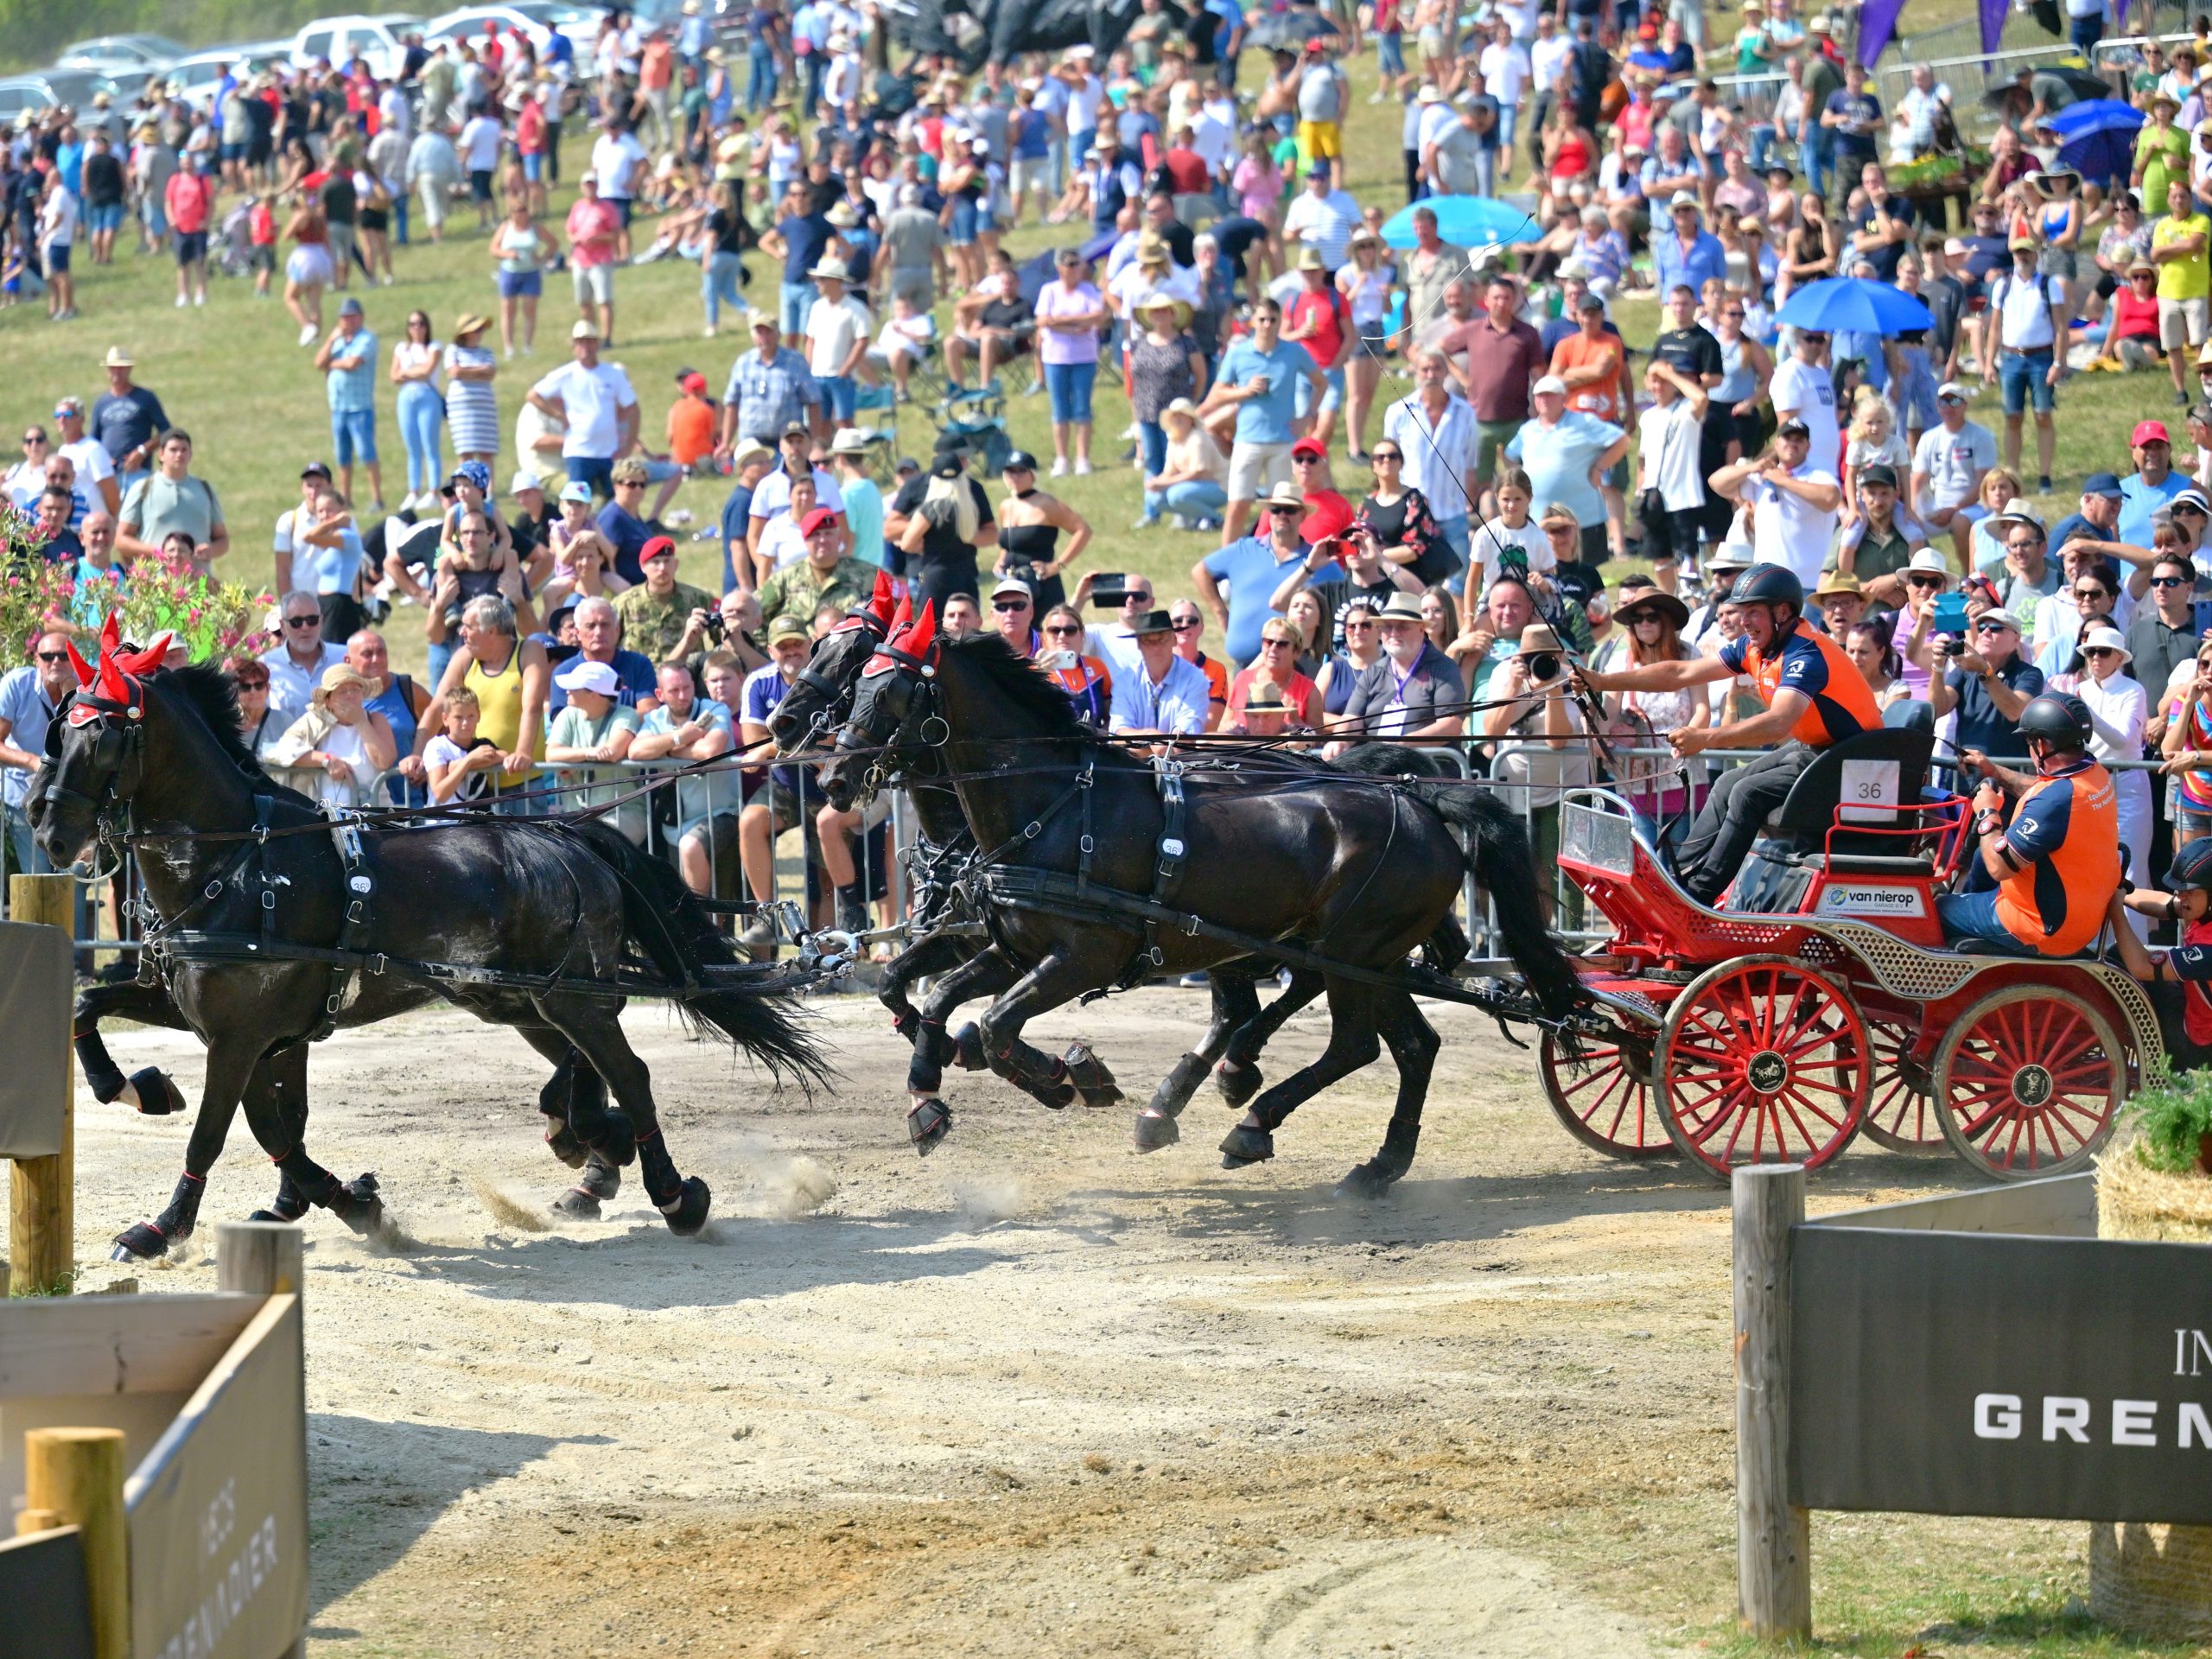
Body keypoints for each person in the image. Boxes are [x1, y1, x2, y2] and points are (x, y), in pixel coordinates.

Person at [1573, 564, 1881, 905]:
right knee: (1725, 785)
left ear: (1782, 612)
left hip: (1854, 761)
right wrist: (1603, 681)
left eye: (1753, 612)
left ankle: (1698, 896)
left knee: (1748, 793)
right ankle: (1675, 882)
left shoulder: (1805, 655)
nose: (1744, 621)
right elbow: (1681, 672)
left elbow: (1777, 722)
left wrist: (1705, 737)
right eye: (1740, 612)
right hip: (1821, 752)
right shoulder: (1754, 646)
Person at [1940, 695, 2123, 957]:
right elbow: (2043, 791)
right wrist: (1993, 771)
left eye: (2028, 741)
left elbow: (1999, 867)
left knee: (1936, 910)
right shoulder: (2093, 775)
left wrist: (1987, 812)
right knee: (1982, 855)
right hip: (2078, 917)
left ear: (2039, 744)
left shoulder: (2058, 800)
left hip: (2040, 925)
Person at [1202, 295, 1319, 549]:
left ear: (1279, 322)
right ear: (1253, 321)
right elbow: (1218, 393)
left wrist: (1307, 417)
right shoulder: (1239, 353)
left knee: (1279, 509)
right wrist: (1246, 391)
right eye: (1262, 319)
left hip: (1283, 440)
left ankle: (1276, 555)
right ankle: (1227, 564)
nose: (1267, 324)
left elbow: (1320, 382)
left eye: (1272, 320)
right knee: (1238, 505)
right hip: (1247, 439)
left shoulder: (1293, 351)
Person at [633, 659, 742, 896]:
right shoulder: (654, 719)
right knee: (683, 891)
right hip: (676, 823)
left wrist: (667, 752)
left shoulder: (713, 710)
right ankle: (698, 929)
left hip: (723, 814)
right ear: (660, 694)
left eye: (687, 687)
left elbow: (709, 751)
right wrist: (680, 738)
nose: (683, 696)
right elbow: (636, 751)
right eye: (674, 690)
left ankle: (701, 926)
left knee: (720, 895)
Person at [1980, 232, 2068, 493]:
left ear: (2035, 255)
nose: (2023, 258)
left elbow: (2061, 326)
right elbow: (1994, 327)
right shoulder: (2003, 285)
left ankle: (2044, 475)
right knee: (2012, 417)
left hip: (2041, 356)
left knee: (2043, 414)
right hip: (2010, 357)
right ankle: (2014, 475)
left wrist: (2059, 362)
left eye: (2027, 253)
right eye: (2018, 254)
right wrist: (1988, 362)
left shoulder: (2048, 284)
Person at [1381, 350, 1480, 576]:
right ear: (1415, 372)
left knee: (1458, 584)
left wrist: (1469, 502)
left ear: (1446, 372)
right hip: (1411, 515)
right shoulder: (1397, 412)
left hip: (1452, 514)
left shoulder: (1465, 413)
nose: (1431, 374)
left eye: (1436, 368)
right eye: (1425, 369)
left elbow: (1470, 463)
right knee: (1413, 584)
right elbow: (1387, 463)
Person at [1327, 588, 1465, 749]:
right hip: (1376, 766)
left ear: (1421, 629)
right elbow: (1352, 718)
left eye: (1403, 626)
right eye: (1387, 627)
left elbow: (1450, 726)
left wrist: (1400, 745)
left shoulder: (1443, 668)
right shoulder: (1374, 672)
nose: (1393, 633)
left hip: (1426, 766)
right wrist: (1340, 741)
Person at [529, 321, 639, 499]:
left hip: (608, 451)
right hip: (578, 451)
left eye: (589, 341)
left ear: (597, 344)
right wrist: (559, 415)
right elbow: (534, 395)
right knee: (578, 501)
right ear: (574, 347)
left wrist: (628, 446)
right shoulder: (566, 374)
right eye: (580, 342)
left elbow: (633, 408)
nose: (585, 347)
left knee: (616, 500)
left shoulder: (612, 374)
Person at [268, 662, 396, 808]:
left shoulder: (376, 720)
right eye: (342, 691)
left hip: (373, 815)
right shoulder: (313, 722)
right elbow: (281, 751)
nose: (350, 696)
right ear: (328, 701)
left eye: (355, 689)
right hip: (326, 818)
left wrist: (360, 722)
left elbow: (385, 761)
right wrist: (326, 760)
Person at [887, 448, 997, 613]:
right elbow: (990, 534)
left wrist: (926, 545)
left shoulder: (933, 508)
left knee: (932, 633)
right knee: (968, 633)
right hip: (966, 577)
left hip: (936, 578)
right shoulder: (968, 509)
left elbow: (906, 544)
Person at [1910, 381, 1996, 566]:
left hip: (1974, 505)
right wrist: (1913, 511)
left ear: (1965, 405)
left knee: (1960, 522)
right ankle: (1918, 573)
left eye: (1955, 401)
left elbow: (1983, 482)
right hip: (1938, 506)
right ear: (1937, 406)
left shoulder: (1981, 436)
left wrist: (1954, 509)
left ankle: (1969, 574)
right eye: (1944, 401)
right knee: (1908, 527)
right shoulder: (1929, 438)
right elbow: (1917, 479)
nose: (1949, 407)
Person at [117, 428, 226, 570]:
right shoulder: (143, 489)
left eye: (184, 450)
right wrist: (157, 552)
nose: (179, 454)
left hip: (200, 583)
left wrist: (210, 550)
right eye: (173, 450)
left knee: (202, 592)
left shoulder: (205, 489)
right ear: (161, 454)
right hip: (156, 584)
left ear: (190, 455)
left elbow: (223, 540)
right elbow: (121, 540)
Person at [315, 297, 383, 512]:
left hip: (360, 406)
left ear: (361, 318)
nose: (348, 321)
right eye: (344, 317)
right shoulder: (337, 341)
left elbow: (353, 363)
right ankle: (345, 497)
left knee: (366, 453)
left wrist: (332, 363)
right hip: (339, 407)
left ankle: (377, 497)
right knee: (342, 456)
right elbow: (318, 362)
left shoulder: (367, 339)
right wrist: (330, 340)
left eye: (352, 316)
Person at [2154, 175, 2212, 410]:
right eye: (2175, 196)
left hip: (2195, 290)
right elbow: (2154, 255)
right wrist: (2181, 248)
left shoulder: (2201, 220)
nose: (2179, 200)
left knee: (2200, 343)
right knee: (2173, 345)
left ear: (2190, 199)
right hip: (2168, 292)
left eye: (2183, 196)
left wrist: (2169, 251)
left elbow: (2194, 244)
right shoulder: (2161, 225)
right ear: (2169, 200)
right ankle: (2180, 390)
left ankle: (2206, 388)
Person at [1108, 607, 1211, 737]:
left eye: (1162, 638)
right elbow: (1119, 732)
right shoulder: (1124, 680)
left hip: (1177, 758)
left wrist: (1146, 741)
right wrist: (1150, 736)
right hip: (1131, 757)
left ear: (1174, 640)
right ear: (1139, 644)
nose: (1156, 647)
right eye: (1148, 640)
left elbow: (1185, 737)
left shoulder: (1194, 679)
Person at [390, 309, 445, 512]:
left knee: (430, 446)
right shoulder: (402, 348)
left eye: (421, 323)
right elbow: (394, 375)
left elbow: (427, 371)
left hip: (428, 396)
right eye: (413, 324)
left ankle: (433, 491)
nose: (417, 328)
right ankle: (413, 491)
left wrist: (407, 372)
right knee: (412, 447)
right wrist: (413, 372)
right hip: (406, 398)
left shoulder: (434, 346)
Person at [564, 173, 624, 344]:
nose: (589, 188)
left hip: (600, 259)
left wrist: (597, 239)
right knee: (584, 301)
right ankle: (590, 334)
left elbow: (615, 234)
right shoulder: (578, 207)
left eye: (592, 185)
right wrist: (574, 239)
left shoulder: (607, 207)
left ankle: (607, 337)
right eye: (586, 185)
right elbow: (570, 230)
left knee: (604, 300)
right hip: (580, 259)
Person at [491, 196, 550, 358]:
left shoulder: (535, 228)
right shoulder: (505, 228)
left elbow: (553, 243)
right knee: (508, 309)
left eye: (523, 210)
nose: (520, 214)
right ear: (511, 213)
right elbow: (493, 248)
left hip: (530, 272)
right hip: (510, 271)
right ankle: (509, 346)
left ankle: (528, 345)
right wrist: (507, 254)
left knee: (530, 308)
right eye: (516, 211)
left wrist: (543, 258)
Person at [443, 314, 501, 467]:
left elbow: (490, 372)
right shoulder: (453, 350)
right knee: (465, 451)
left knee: (486, 451)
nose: (480, 333)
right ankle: (467, 488)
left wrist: (466, 371)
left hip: (484, 406)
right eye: (477, 330)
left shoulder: (486, 352)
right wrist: (479, 371)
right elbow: (454, 372)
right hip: (461, 407)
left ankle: (488, 490)